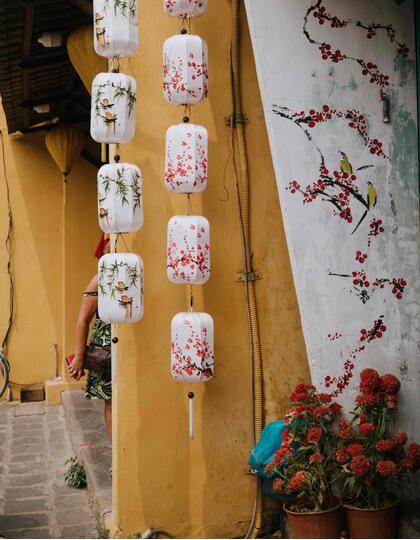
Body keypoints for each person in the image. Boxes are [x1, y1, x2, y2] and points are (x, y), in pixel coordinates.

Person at [68, 234, 112, 441]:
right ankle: (116, 454)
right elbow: (83, 320)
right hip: (105, 353)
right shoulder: (98, 280)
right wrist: (79, 356)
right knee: (111, 401)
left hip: (130, 350)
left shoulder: (133, 275)